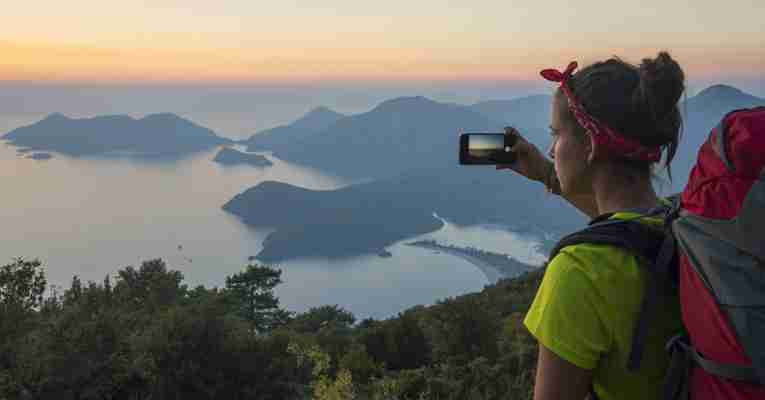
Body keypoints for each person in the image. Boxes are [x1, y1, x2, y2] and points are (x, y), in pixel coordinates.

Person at [498, 52, 686, 400]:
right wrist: (543, 172)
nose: (552, 150)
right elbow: (622, 229)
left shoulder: (580, 271)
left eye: (557, 135)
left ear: (591, 145)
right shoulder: (679, 225)